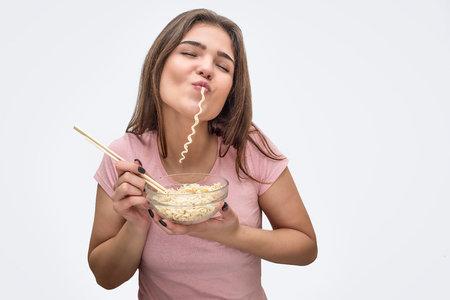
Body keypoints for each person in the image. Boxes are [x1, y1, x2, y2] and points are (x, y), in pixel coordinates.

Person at [88, 8, 317, 300]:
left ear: (231, 91)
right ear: (159, 62)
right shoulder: (124, 158)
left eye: (223, 66)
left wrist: (231, 234)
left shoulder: (249, 147)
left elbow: (306, 248)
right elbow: (105, 278)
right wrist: (136, 225)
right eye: (190, 53)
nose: (207, 68)